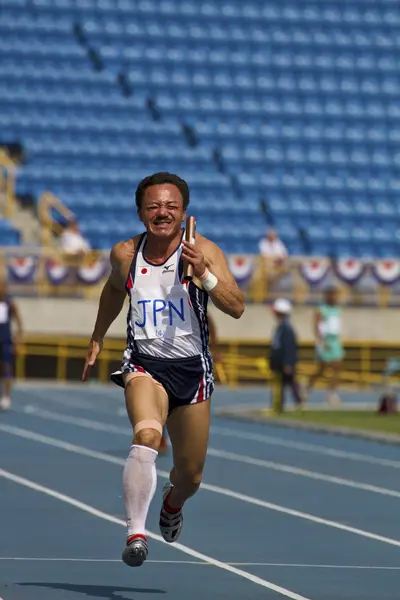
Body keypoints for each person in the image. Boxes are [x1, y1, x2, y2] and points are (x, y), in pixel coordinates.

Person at [81, 172, 244, 568]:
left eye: (171, 207)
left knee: (190, 476)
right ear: (140, 213)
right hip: (145, 365)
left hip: (191, 370)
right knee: (148, 435)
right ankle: (136, 533)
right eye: (153, 207)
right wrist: (97, 335)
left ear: (183, 211)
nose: (162, 213)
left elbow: (236, 306)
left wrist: (204, 273)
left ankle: (172, 504)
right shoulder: (125, 254)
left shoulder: (203, 250)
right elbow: (113, 291)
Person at [158, 311, 220, 454]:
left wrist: (215, 350)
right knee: (162, 401)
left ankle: (185, 438)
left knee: (185, 404)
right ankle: (161, 436)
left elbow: (211, 327)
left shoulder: (197, 306)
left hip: (192, 363)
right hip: (165, 358)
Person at [306, 285, 344, 405]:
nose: (333, 297)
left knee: (337, 366)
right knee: (322, 369)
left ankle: (331, 391)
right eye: (331, 295)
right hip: (325, 341)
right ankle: (307, 387)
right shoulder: (321, 309)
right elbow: (316, 326)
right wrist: (321, 342)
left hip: (335, 341)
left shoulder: (337, 309)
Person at [269, 298, 303, 413]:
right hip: (280, 361)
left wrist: (288, 363)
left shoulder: (286, 328)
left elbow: (288, 346)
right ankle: (280, 405)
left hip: (284, 362)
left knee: (288, 383)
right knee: (284, 384)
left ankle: (294, 403)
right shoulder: (282, 326)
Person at [0, 280, 23, 411]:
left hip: (6, 341)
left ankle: (7, 396)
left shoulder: (10, 303)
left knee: (7, 369)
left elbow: (19, 322)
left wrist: (18, 340)